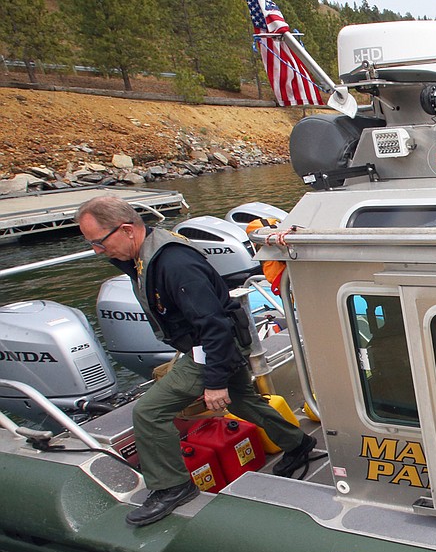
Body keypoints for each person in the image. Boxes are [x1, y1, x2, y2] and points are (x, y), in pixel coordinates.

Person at [76, 196, 317, 526]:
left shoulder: (175, 265)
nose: (97, 251)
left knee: (148, 413)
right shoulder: (142, 256)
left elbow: (214, 325)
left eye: (99, 243)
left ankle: (172, 487)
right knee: (244, 401)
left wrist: (215, 381)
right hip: (211, 346)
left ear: (128, 230)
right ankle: (298, 442)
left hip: (213, 348)